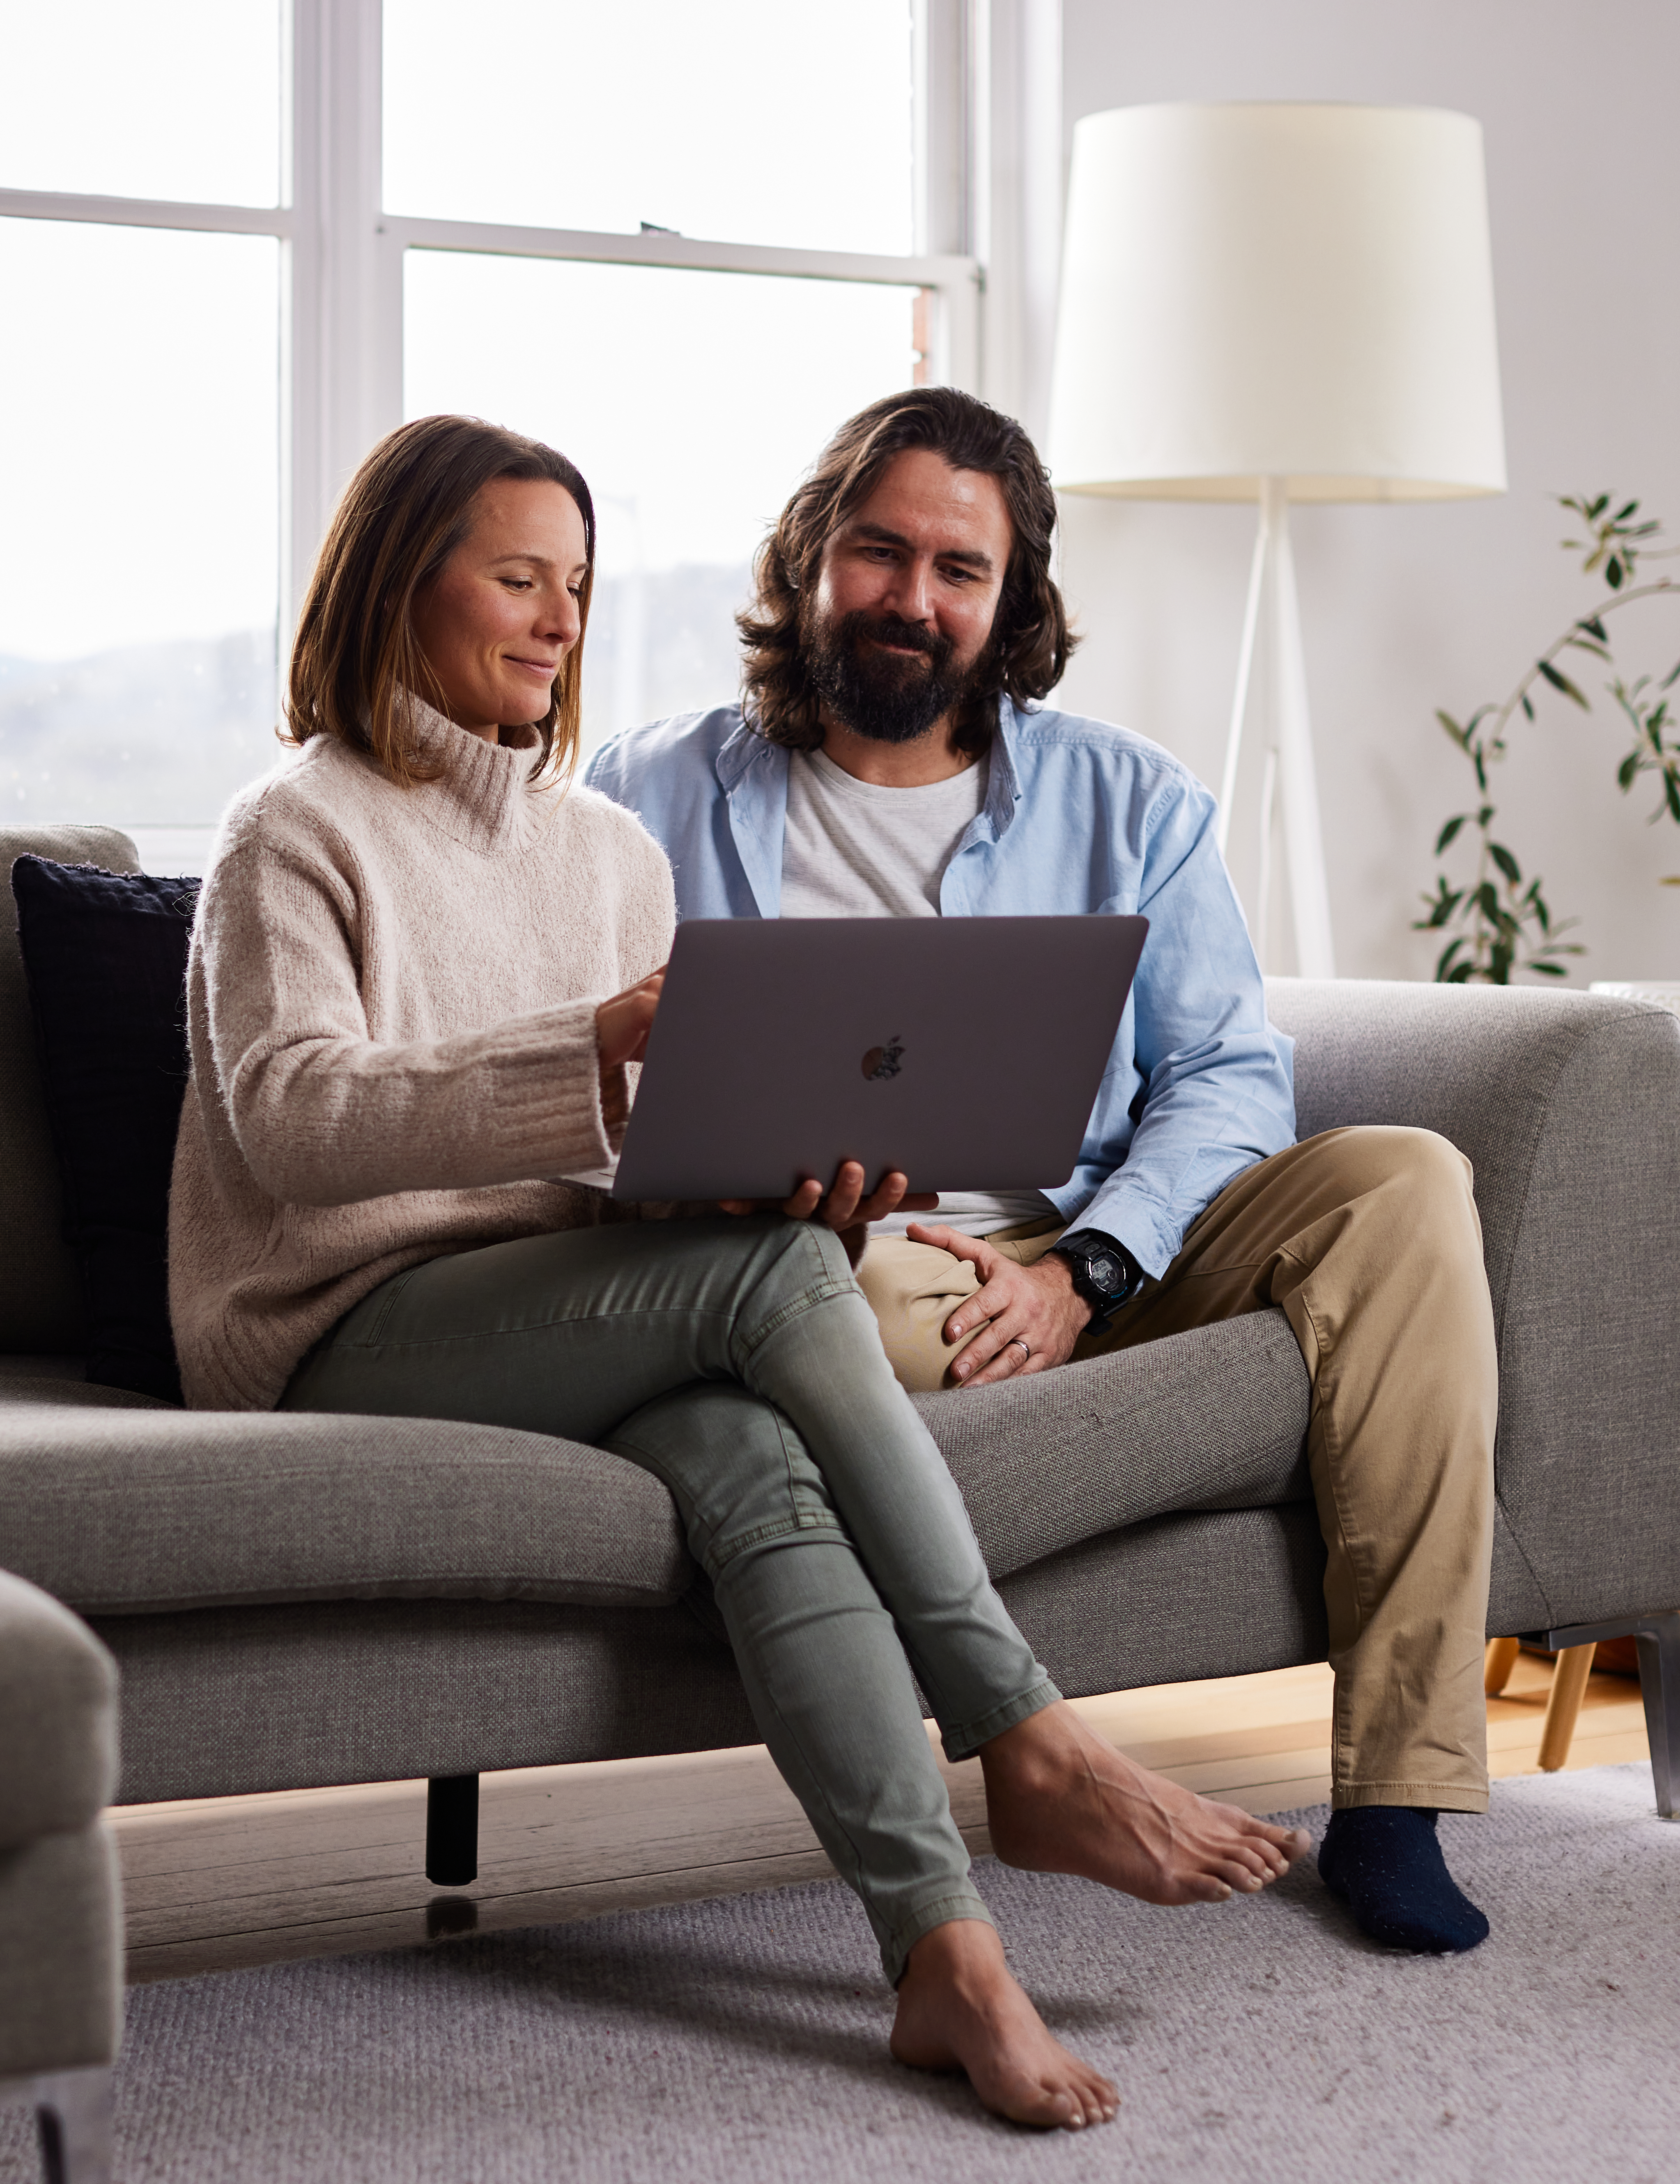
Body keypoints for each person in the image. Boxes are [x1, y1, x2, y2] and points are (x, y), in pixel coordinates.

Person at [172, 414, 1314, 2132]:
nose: (557, 621)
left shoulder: (606, 852)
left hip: (557, 1311)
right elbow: (290, 1121)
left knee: (754, 1461)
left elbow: (626, 1164)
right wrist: (586, 1055)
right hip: (334, 1320)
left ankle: (943, 1956)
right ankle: (1029, 1732)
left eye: (575, 584)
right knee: (772, 1283)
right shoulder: (294, 830)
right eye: (515, 578)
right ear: (399, 583)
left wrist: (772, 1180)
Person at [586, 386, 1501, 1958]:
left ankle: (1399, 1798)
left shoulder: (1130, 801)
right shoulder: (645, 789)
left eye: (961, 570)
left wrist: (1088, 1271)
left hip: (1095, 1239)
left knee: (1404, 1178)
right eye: (880, 553)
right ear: (809, 558)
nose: (913, 598)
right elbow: (587, 1079)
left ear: (1010, 602)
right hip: (827, 1263)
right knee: (838, 1294)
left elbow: (1229, 1076)